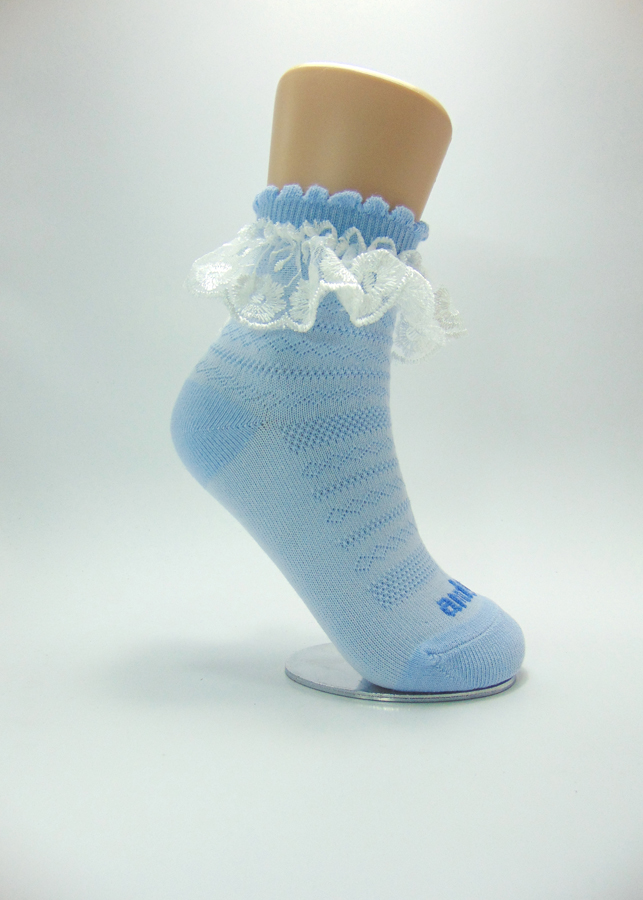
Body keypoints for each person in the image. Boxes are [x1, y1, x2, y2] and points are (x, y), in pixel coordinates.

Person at [171, 64, 525, 693]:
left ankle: (262, 384)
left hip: (250, 408)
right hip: (270, 407)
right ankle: (280, 388)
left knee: (391, 179)